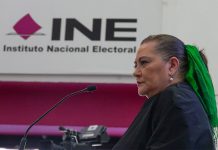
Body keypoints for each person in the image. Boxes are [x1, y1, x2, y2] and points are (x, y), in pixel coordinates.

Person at [112, 34, 218, 150]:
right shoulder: (178, 98)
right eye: (135, 65)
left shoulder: (175, 101)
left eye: (144, 63)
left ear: (172, 66)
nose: (135, 72)